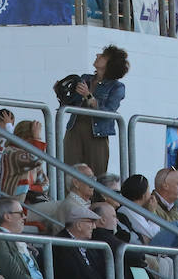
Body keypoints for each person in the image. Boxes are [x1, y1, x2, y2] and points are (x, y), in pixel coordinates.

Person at [62, 45, 129, 175]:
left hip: (97, 135)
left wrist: (88, 95)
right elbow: (72, 103)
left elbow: (109, 112)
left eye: (103, 56)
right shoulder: (85, 78)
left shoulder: (117, 87)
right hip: (74, 130)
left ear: (110, 64)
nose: (97, 55)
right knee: (69, 174)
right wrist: (62, 92)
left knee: (96, 176)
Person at [0, 197, 42, 279]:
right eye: (21, 213)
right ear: (7, 217)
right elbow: (15, 275)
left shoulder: (19, 240)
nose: (24, 217)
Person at [52, 200, 105, 279]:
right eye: (91, 222)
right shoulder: (60, 245)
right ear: (79, 225)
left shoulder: (89, 246)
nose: (94, 227)